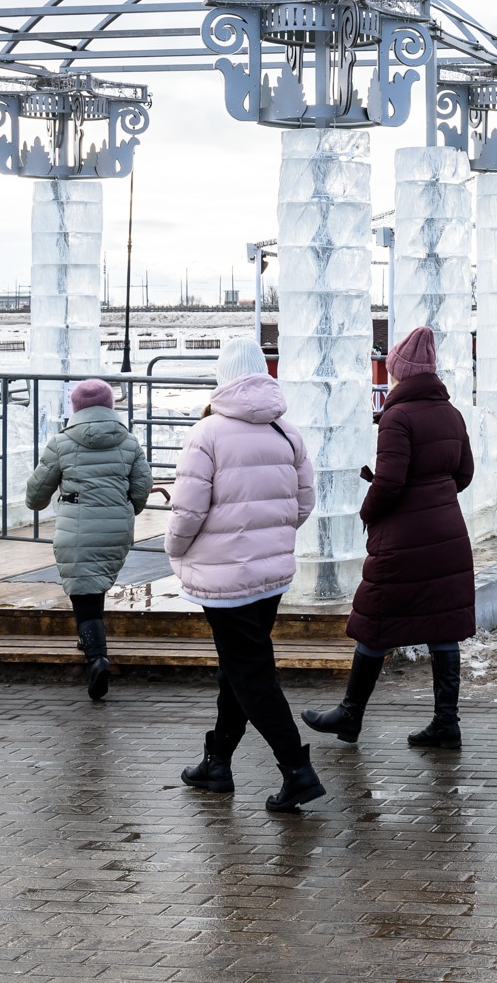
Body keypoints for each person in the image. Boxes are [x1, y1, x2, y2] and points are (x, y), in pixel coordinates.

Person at [165, 337, 326, 813]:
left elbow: (187, 511)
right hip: (269, 577)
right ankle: (217, 762)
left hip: (224, 581)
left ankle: (296, 769)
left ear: (222, 377)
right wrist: (269, 538)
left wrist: (173, 550)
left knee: (251, 673)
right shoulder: (286, 431)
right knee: (240, 667)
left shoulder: (207, 434)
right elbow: (303, 503)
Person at [302, 325, 476, 748]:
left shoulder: (397, 416)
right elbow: (465, 474)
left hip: (405, 539)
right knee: (442, 626)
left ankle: (350, 715)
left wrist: (367, 512)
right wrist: (434, 495)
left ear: (400, 372)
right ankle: (445, 723)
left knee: (374, 618)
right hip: (448, 534)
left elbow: (391, 483)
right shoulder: (451, 414)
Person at [23, 378, 152, 702]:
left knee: (84, 589)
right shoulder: (128, 442)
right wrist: (124, 509)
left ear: (76, 408)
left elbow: (36, 495)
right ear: (109, 406)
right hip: (116, 526)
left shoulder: (62, 443)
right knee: (94, 583)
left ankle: (97, 657)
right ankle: (89, 640)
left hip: (77, 527)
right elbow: (142, 486)